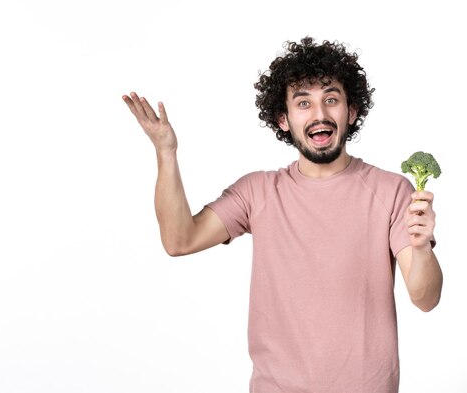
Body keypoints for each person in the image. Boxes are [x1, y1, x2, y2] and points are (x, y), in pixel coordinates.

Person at [121, 37, 442, 393]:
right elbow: (179, 240)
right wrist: (166, 152)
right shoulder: (257, 192)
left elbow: (426, 298)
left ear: (351, 111)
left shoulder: (391, 191)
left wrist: (423, 246)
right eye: (303, 103)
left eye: (331, 100)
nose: (319, 115)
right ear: (283, 119)